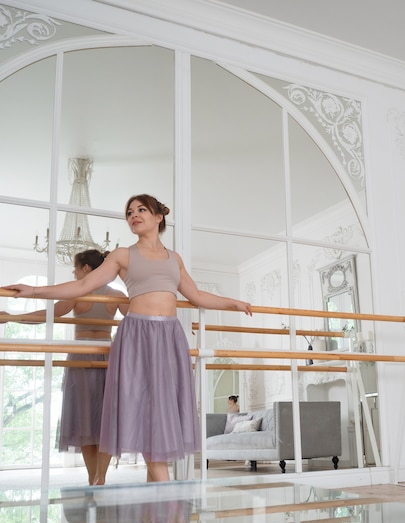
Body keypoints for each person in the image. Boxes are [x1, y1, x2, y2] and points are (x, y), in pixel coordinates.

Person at [3, 194, 252, 483]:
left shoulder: (175, 259)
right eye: (130, 212)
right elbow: (82, 284)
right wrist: (34, 291)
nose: (134, 215)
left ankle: (154, 493)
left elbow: (196, 295)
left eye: (141, 210)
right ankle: (161, 487)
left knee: (163, 406)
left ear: (159, 217)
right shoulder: (122, 255)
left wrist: (233, 303)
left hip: (169, 335)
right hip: (136, 334)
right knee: (142, 404)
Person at [0, 249, 128, 485]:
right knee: (104, 420)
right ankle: (100, 477)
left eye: (76, 267)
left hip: (81, 356)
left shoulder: (78, 294)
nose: (73, 272)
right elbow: (140, 317)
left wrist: (12, 318)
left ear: (86, 269)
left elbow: (48, 315)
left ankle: (94, 478)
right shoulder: (117, 295)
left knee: (86, 418)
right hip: (107, 356)